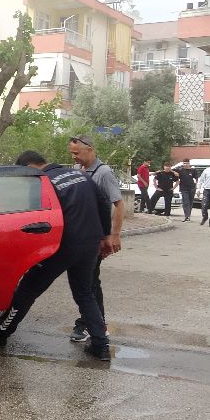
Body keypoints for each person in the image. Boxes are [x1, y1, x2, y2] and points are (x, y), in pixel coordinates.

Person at [0, 150, 113, 360]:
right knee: (85, 293)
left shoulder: (43, 182)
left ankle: (1, 333)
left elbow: (36, 218)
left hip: (60, 246)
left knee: (28, 288)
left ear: (29, 166)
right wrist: (105, 235)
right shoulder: (81, 175)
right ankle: (101, 345)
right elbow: (104, 204)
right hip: (89, 245)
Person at [67, 134, 124, 343]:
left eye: (76, 153)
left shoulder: (104, 173)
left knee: (88, 283)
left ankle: (90, 324)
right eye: (71, 153)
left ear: (89, 148)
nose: (74, 157)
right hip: (78, 237)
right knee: (89, 282)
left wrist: (114, 235)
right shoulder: (75, 171)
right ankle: (95, 323)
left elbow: (119, 204)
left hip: (95, 238)